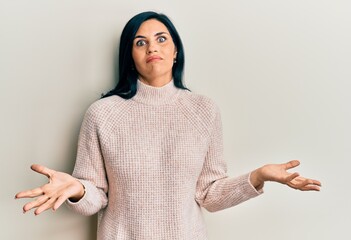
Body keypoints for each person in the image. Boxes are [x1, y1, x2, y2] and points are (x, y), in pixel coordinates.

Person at [15, 11, 321, 240]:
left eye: (161, 39)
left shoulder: (204, 110)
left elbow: (209, 195)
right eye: (140, 42)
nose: (152, 48)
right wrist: (78, 189)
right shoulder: (102, 114)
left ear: (175, 52)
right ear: (130, 56)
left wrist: (258, 176)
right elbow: (95, 198)